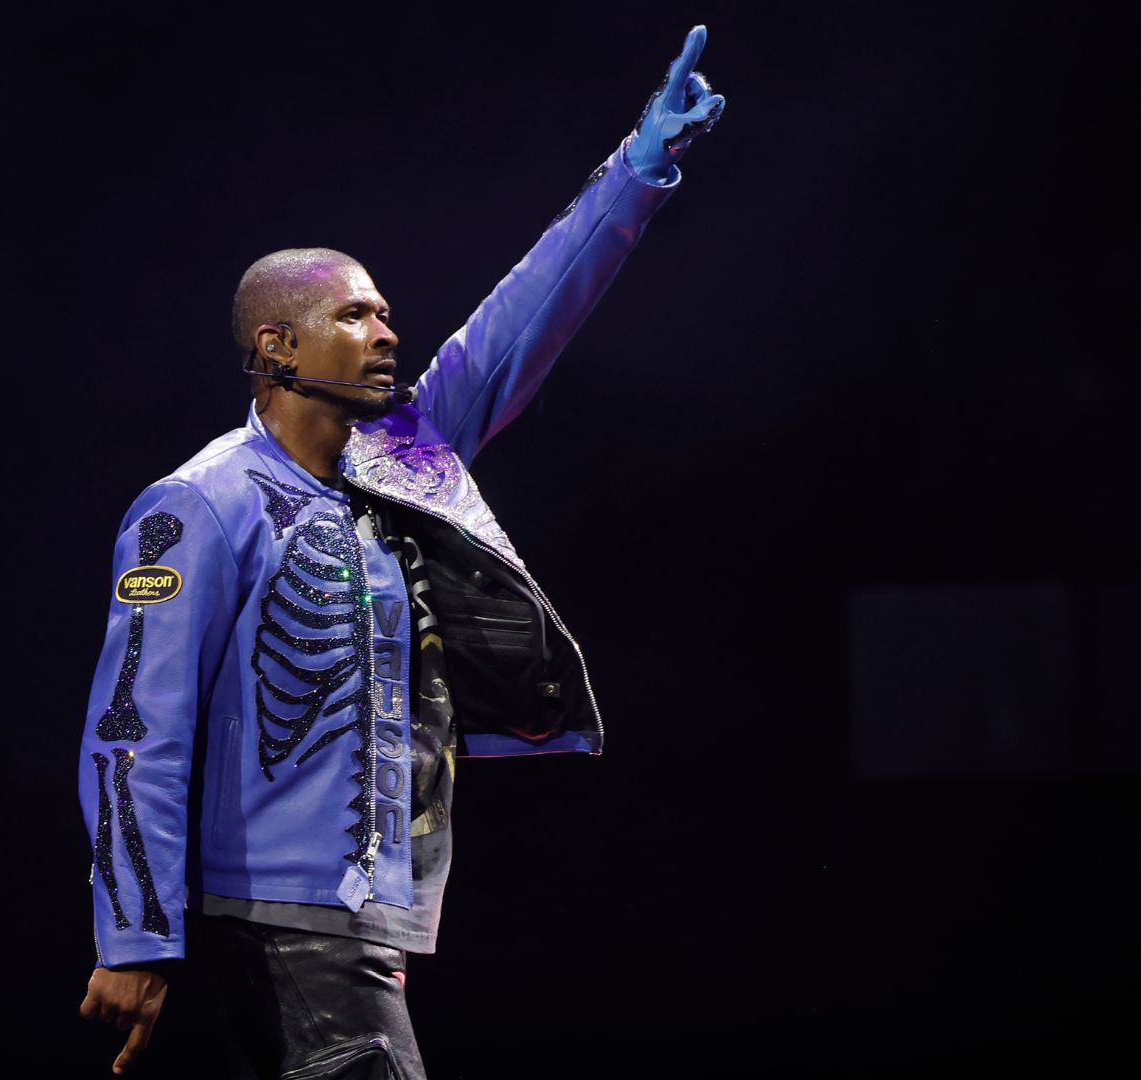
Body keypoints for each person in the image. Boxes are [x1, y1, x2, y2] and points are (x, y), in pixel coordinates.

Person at [77, 25, 725, 1077]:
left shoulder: (401, 460)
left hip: (375, 921)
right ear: (274, 349)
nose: (385, 331)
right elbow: (132, 732)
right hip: (278, 919)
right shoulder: (198, 504)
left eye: (386, 312)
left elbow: (520, 324)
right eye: (353, 314)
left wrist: (641, 170)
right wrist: (135, 935)